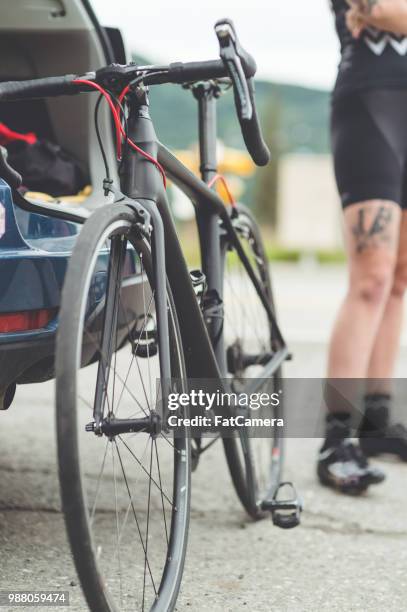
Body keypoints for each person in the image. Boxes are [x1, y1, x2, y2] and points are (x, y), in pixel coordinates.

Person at [318, 0, 407, 493]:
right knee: (371, 279)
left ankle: (376, 423)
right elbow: (377, 9)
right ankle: (335, 438)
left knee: (399, 279)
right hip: (371, 104)